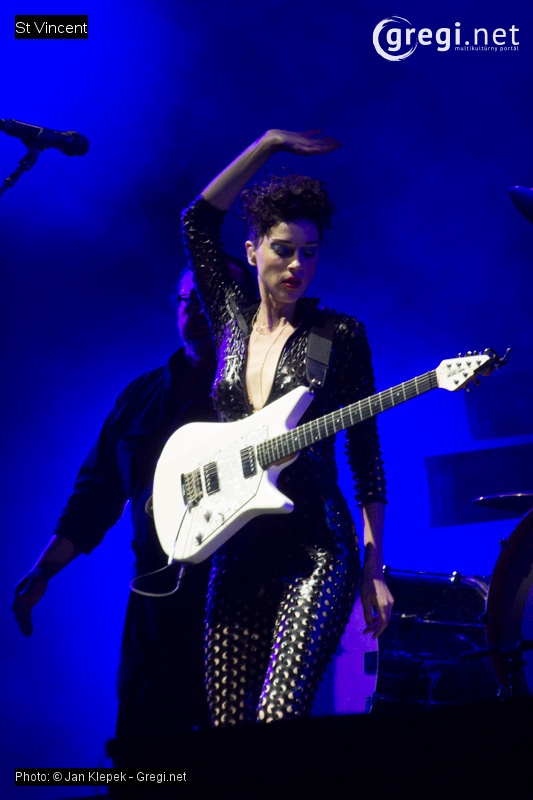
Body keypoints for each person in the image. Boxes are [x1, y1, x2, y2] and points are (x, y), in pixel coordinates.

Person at [181, 128, 394, 727]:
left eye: (310, 251)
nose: (298, 264)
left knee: (279, 720)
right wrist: (268, 144)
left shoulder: (337, 336)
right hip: (237, 545)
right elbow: (197, 221)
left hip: (315, 550)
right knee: (227, 731)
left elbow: (367, 458)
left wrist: (374, 569)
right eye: (283, 249)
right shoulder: (229, 315)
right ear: (252, 251)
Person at [11, 262, 254, 740]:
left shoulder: (258, 396)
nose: (199, 310)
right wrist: (43, 571)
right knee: (142, 747)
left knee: (229, 753)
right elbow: (94, 494)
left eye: (213, 298)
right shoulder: (140, 396)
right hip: (153, 601)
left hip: (236, 597)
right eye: (189, 299)